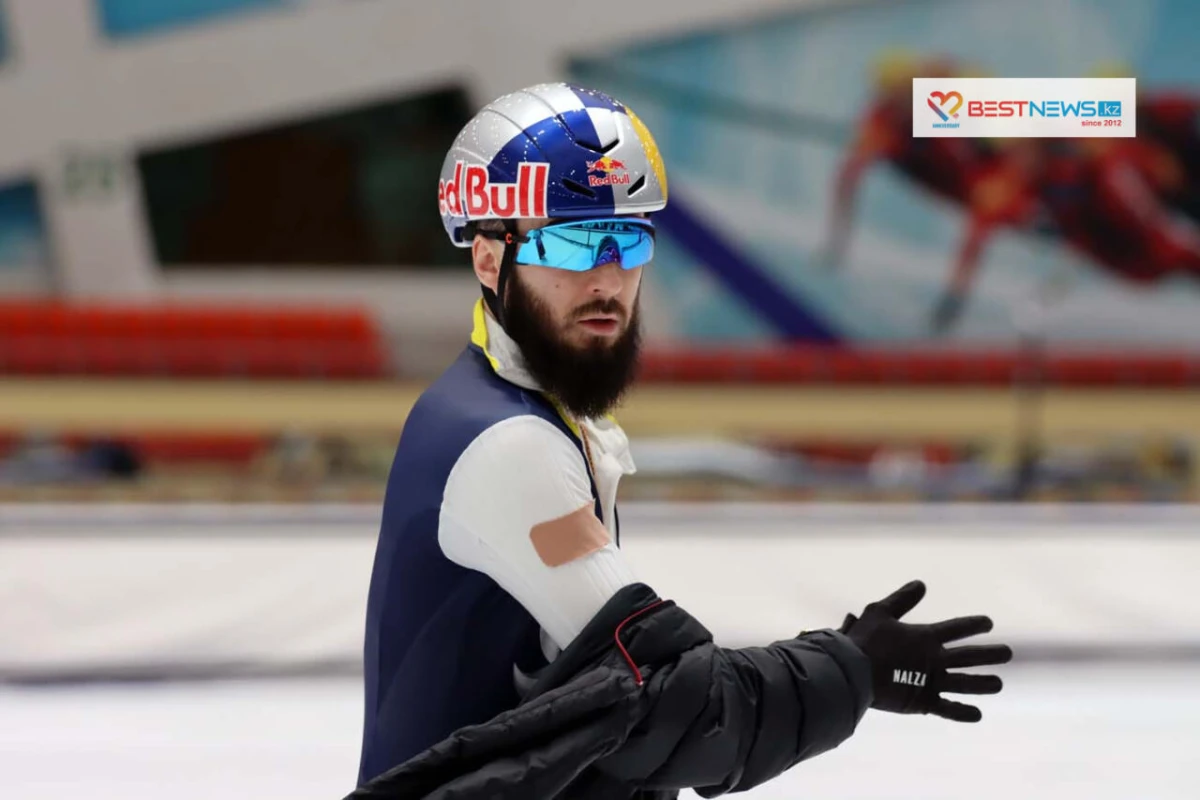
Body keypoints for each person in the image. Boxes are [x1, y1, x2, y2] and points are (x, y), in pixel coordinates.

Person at [353, 82, 1012, 799]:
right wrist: (853, 667)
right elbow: (683, 705)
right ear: (489, 260)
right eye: (573, 242)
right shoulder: (508, 446)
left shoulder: (510, 409)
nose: (608, 279)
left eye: (629, 241)